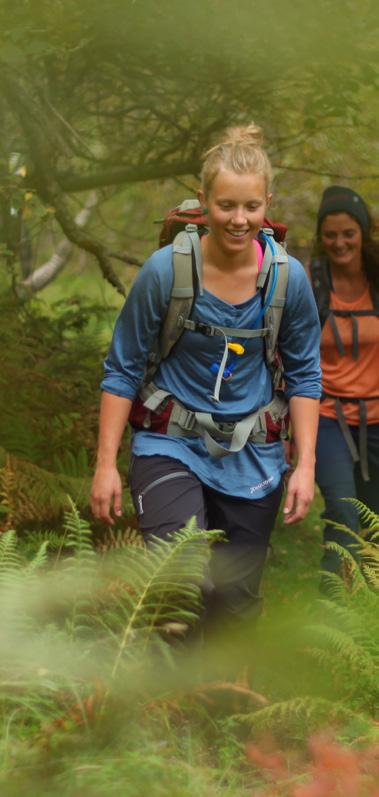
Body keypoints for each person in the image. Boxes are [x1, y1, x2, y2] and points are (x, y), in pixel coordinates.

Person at [91, 123, 321, 625]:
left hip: (254, 458)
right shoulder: (165, 271)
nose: (239, 220)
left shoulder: (288, 280)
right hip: (168, 444)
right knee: (181, 581)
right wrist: (106, 464)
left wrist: (304, 466)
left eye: (251, 207)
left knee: (233, 607)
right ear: (203, 201)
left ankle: (219, 701)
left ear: (267, 204)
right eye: (226, 206)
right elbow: (123, 369)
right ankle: (168, 700)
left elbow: (305, 377)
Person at [308, 185, 379, 584]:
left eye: (348, 233)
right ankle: (331, 612)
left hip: (377, 417)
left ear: (363, 233)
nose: (339, 243)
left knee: (377, 521)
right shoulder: (312, 284)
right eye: (330, 234)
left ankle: (368, 621)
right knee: (343, 512)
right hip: (326, 415)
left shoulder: (378, 278)